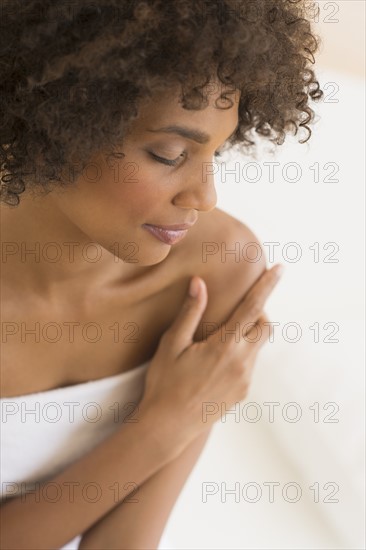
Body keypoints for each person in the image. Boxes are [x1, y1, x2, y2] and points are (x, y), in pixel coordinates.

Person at [0, 1, 323, 548]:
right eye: (169, 153)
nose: (205, 196)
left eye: (215, 153)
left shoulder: (217, 269)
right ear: (52, 124)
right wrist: (160, 428)